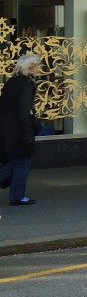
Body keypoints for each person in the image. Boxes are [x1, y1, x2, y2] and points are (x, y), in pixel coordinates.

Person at [0, 53, 43, 206]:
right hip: (19, 132)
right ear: (30, 68)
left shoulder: (11, 82)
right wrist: (28, 135)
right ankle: (18, 196)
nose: (39, 69)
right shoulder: (26, 85)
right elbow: (25, 111)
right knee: (22, 163)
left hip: (7, 131)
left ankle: (17, 195)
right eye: (37, 66)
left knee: (14, 162)